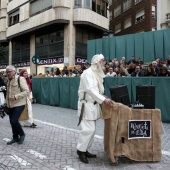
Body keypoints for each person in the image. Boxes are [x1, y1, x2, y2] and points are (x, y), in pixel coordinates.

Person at [76, 54, 114, 164]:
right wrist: (104, 100)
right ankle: (80, 151)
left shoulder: (95, 73)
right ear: (97, 62)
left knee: (91, 131)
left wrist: (103, 97)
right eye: (102, 61)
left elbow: (96, 90)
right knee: (88, 130)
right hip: (86, 105)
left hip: (93, 105)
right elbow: (90, 90)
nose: (104, 63)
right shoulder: (87, 73)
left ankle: (85, 149)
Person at [5, 65, 29, 145]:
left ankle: (22, 134)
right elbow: (8, 93)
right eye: (7, 72)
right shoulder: (8, 80)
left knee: (14, 120)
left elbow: (26, 91)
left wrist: (16, 97)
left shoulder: (20, 79)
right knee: (12, 122)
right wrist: (5, 103)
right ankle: (15, 137)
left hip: (19, 103)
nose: (8, 73)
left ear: (14, 71)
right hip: (10, 104)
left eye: (9, 71)